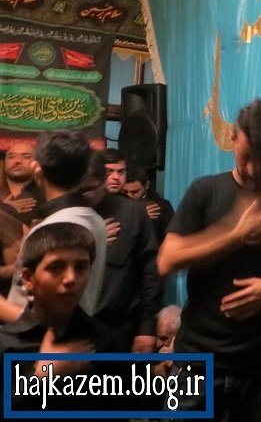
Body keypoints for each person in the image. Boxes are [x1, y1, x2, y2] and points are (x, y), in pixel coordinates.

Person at [158, 99, 261, 421]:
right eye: (246, 157)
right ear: (233, 138)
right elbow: (167, 260)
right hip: (198, 362)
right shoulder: (205, 191)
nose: (252, 170)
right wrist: (234, 234)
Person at [0, 222, 116, 414]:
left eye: (80, 267)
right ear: (28, 278)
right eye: (55, 267)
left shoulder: (102, 340)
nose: (71, 278)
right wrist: (39, 379)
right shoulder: (5, 342)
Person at [4, 130, 107, 321]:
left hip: (41, 339)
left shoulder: (53, 228)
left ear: (36, 169)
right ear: (85, 174)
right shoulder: (95, 219)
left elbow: (35, 320)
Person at [82, 152, 162, 353]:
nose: (115, 177)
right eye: (109, 172)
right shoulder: (67, 210)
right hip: (72, 324)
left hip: (120, 325)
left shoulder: (133, 212)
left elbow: (150, 270)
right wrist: (92, 239)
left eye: (120, 172)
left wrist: (147, 327)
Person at [122, 163, 174, 242]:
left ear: (147, 185)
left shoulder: (163, 207)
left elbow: (170, 239)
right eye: (125, 192)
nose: (129, 196)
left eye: (135, 192)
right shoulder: (115, 203)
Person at [1, 142, 45, 226]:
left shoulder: (47, 195)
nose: (17, 161)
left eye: (26, 157)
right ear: (5, 163)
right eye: (11, 157)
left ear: (37, 163)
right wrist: (5, 208)